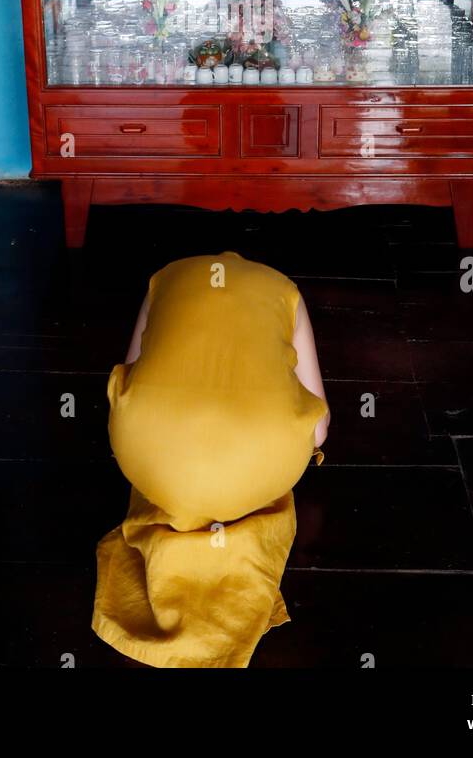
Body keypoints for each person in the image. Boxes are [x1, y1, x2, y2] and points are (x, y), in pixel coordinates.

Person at [92, 252, 330, 668]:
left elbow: (128, 374)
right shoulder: (287, 292)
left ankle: (180, 477)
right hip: (262, 462)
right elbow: (320, 427)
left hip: (147, 451)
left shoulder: (161, 280)